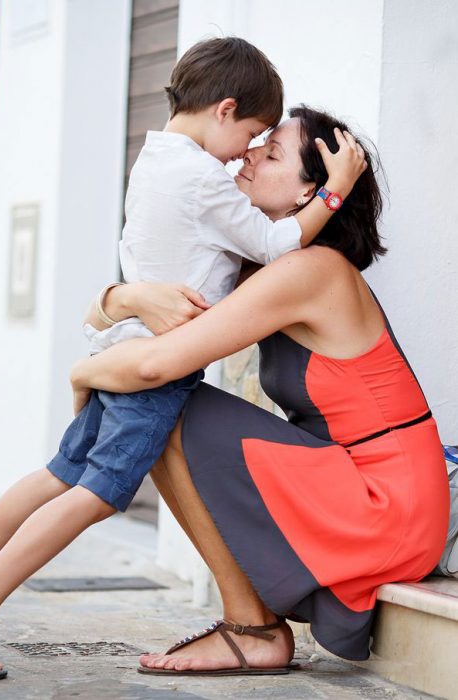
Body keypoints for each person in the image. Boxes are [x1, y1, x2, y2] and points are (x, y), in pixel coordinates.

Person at [0, 38, 365, 681]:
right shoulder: (205, 177)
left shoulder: (157, 159)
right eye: (254, 134)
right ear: (225, 109)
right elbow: (271, 241)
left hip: (121, 349)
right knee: (98, 494)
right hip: (156, 370)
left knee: (56, 474)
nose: (249, 153)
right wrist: (335, 191)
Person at [64, 105, 449, 674]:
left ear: (307, 196)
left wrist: (81, 373)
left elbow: (154, 366)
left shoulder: (311, 272)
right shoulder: (266, 266)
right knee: (163, 404)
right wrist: (120, 300)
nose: (246, 155)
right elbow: (141, 328)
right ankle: (252, 621)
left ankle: (254, 629)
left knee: (168, 406)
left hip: (389, 502)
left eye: (270, 155)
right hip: (363, 480)